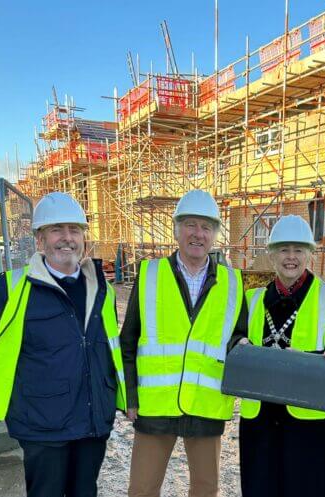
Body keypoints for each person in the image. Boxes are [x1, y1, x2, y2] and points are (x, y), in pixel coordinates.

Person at [0, 192, 126, 497]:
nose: (67, 239)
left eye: (75, 230)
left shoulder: (102, 290)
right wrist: (13, 411)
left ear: (84, 238)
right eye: (56, 229)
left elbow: (107, 350)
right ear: (40, 240)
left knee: (85, 492)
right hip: (42, 427)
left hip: (92, 421)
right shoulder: (9, 288)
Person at [120, 189, 247, 497]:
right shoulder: (150, 274)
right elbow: (128, 340)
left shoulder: (232, 282)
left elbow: (237, 339)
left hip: (206, 403)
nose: (197, 234)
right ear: (177, 229)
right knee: (142, 489)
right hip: (155, 405)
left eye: (206, 227)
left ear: (215, 234)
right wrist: (130, 396)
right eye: (190, 224)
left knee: (205, 489)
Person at [239, 214, 325, 497]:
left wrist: (312, 359)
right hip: (262, 425)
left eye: (298, 250)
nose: (291, 257)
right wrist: (238, 344)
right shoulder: (252, 300)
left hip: (312, 426)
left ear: (310, 255)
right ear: (272, 255)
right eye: (283, 250)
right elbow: (233, 341)